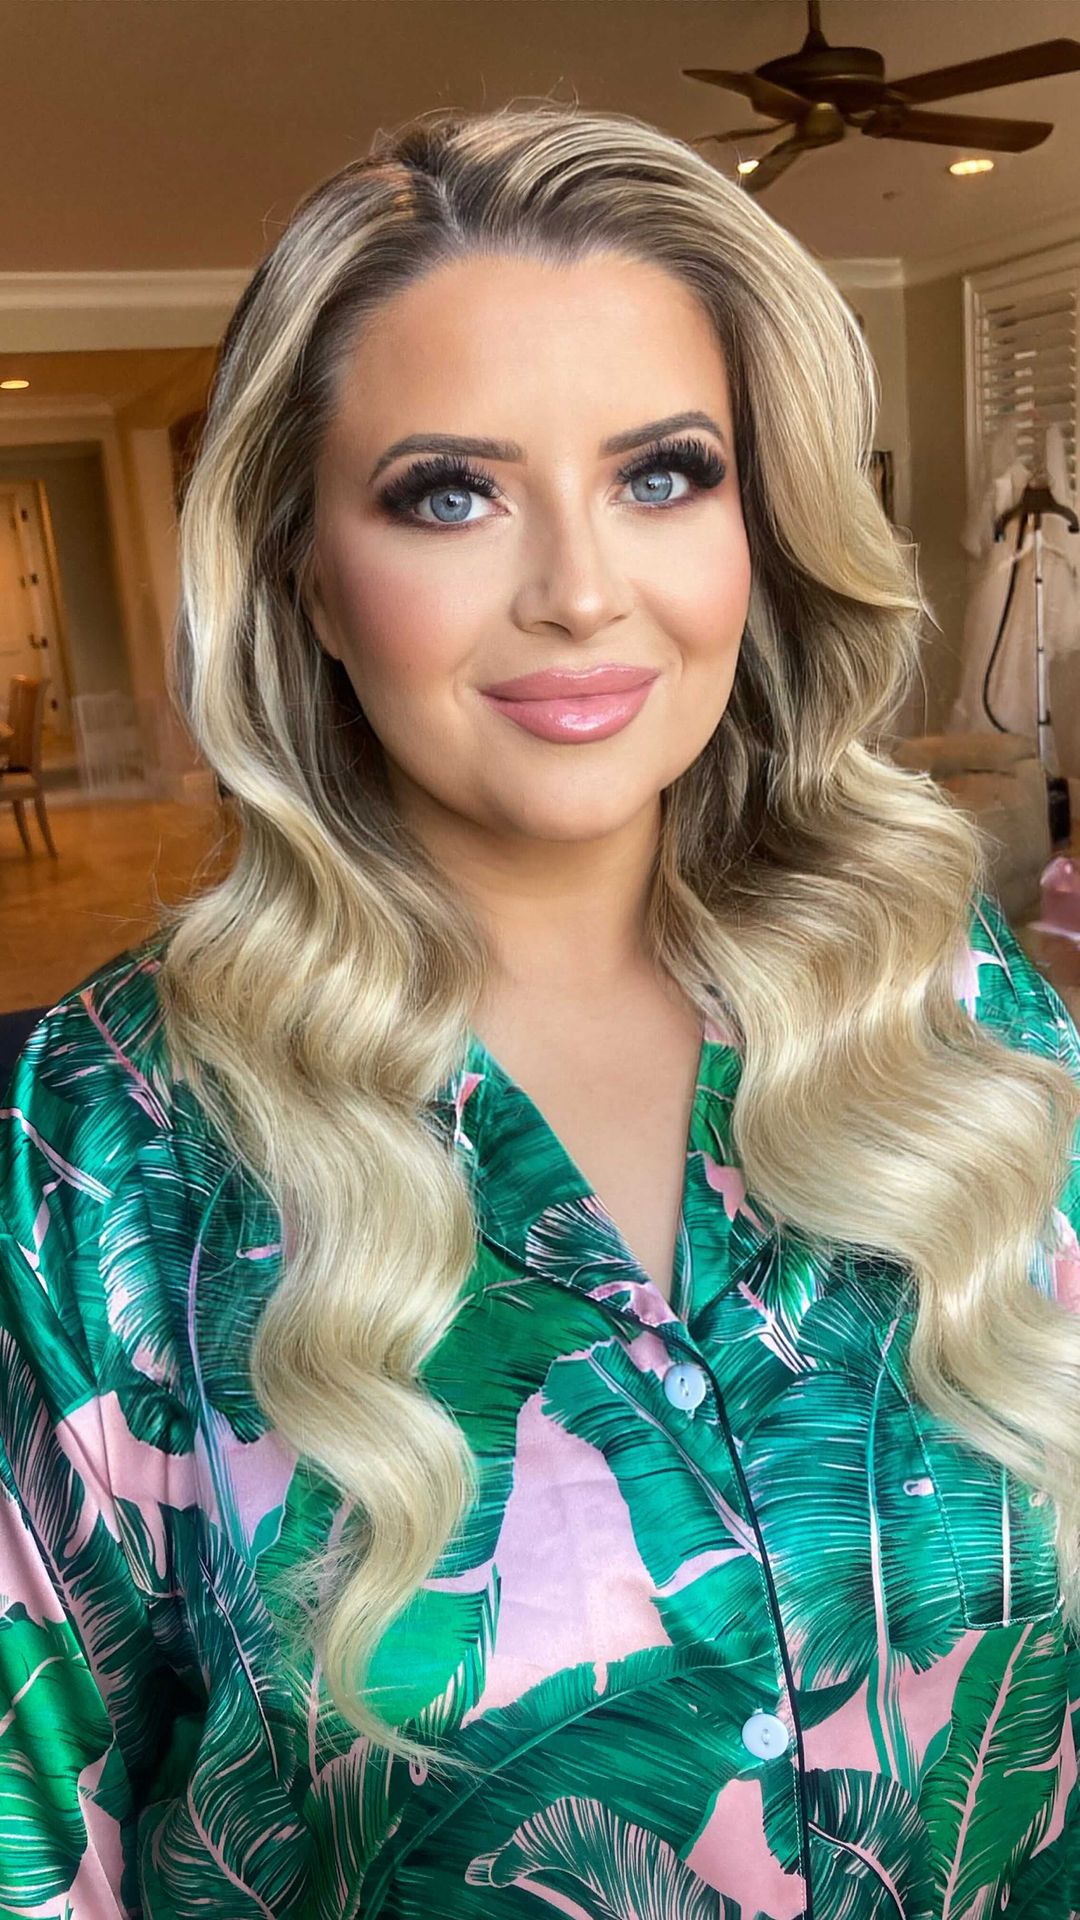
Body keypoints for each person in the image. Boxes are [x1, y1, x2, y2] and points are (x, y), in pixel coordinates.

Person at [1, 98, 1079, 1920]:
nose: (582, 592)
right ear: (304, 575)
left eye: (664, 476)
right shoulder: (108, 1146)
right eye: (451, 493)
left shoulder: (949, 1012)